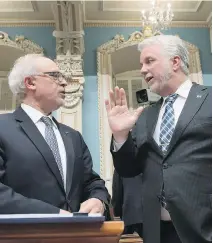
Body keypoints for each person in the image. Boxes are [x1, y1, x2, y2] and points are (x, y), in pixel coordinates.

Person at [105, 35, 212, 243]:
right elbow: (129, 170)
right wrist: (120, 135)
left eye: (149, 61)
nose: (143, 70)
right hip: (157, 232)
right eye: (141, 64)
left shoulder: (209, 100)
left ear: (175, 62)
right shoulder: (146, 115)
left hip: (204, 230)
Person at [0, 54, 110, 216]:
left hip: (76, 236)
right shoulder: (3, 128)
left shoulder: (72, 136)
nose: (64, 82)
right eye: (55, 76)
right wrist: (54, 214)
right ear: (30, 83)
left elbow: (91, 182)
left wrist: (98, 199)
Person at [112, 170, 143, 238]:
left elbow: (117, 193)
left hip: (128, 216)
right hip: (151, 217)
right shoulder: (151, 161)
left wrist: (118, 213)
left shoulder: (121, 164)